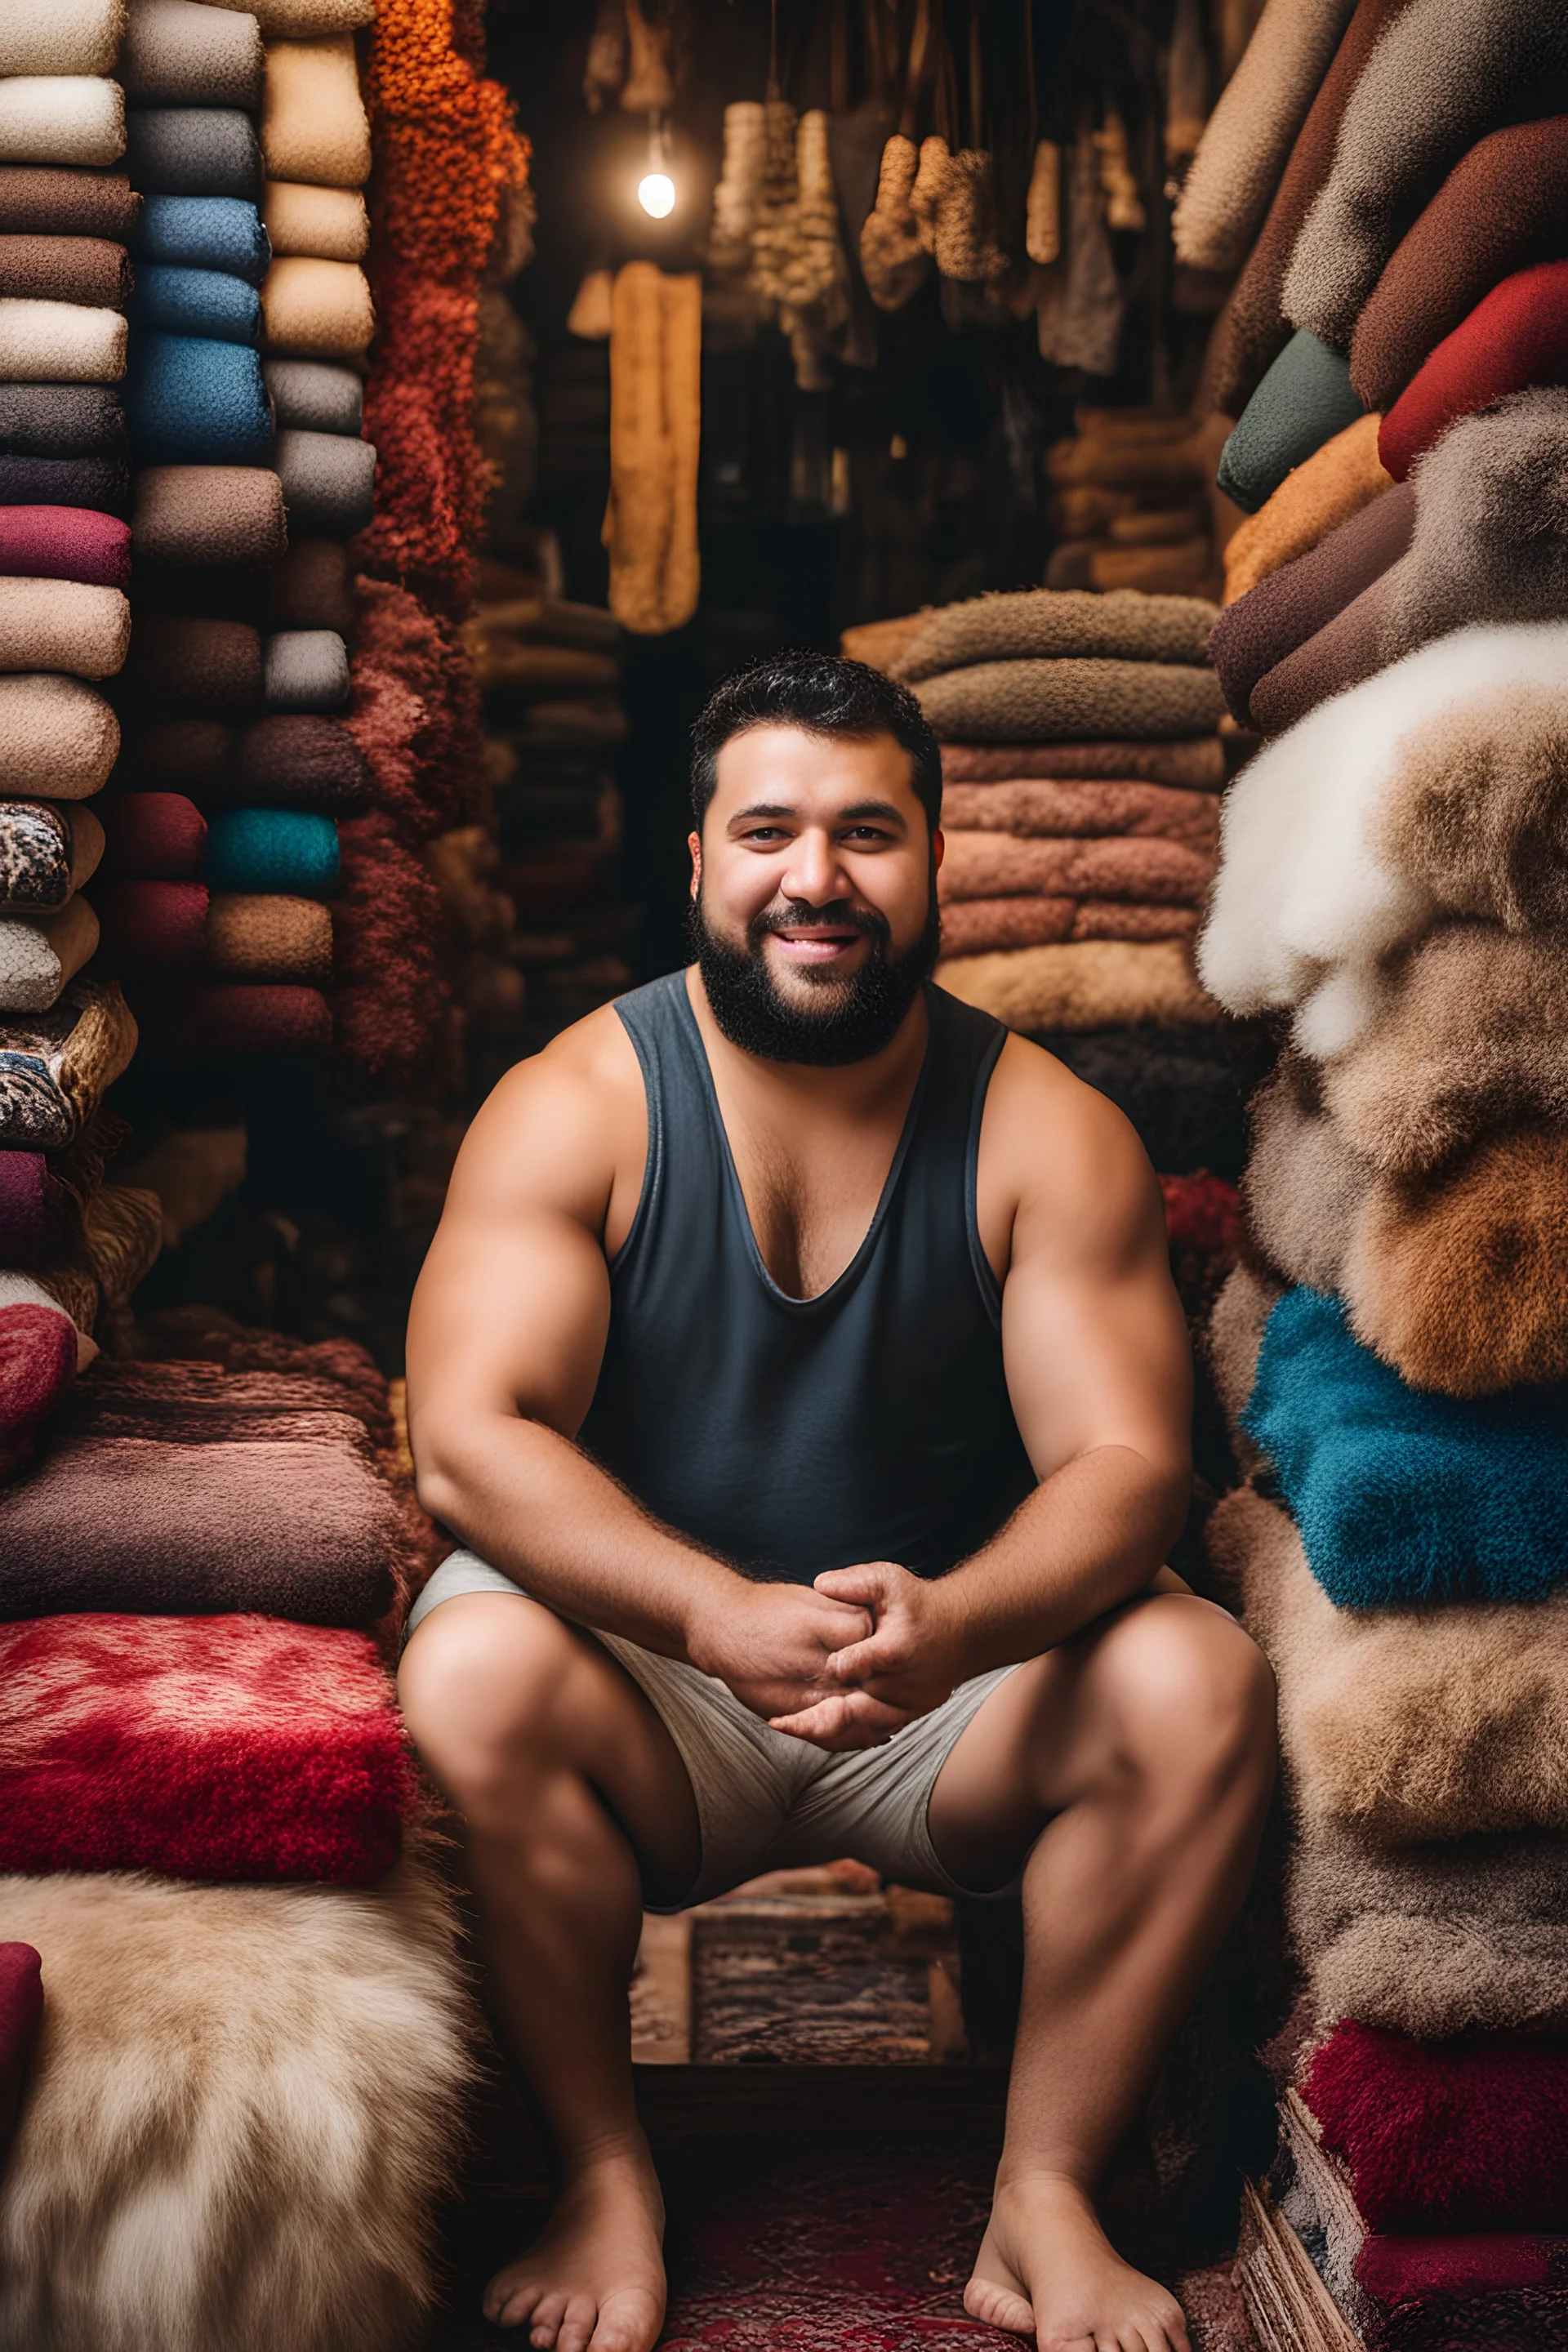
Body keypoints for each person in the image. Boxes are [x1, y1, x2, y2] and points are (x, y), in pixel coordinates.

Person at [400, 652, 1276, 2352]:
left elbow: (1128, 1469)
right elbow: (471, 1439)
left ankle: (1044, 2193)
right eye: (772, 832)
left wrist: (959, 1625)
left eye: (867, 832)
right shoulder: (573, 1105)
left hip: (946, 1688)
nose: (818, 877)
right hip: (654, 1687)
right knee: (467, 1669)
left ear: (936, 860)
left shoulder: (1049, 1130)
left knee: (1199, 1682)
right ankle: (601, 2169)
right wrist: (710, 1613)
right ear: (701, 865)